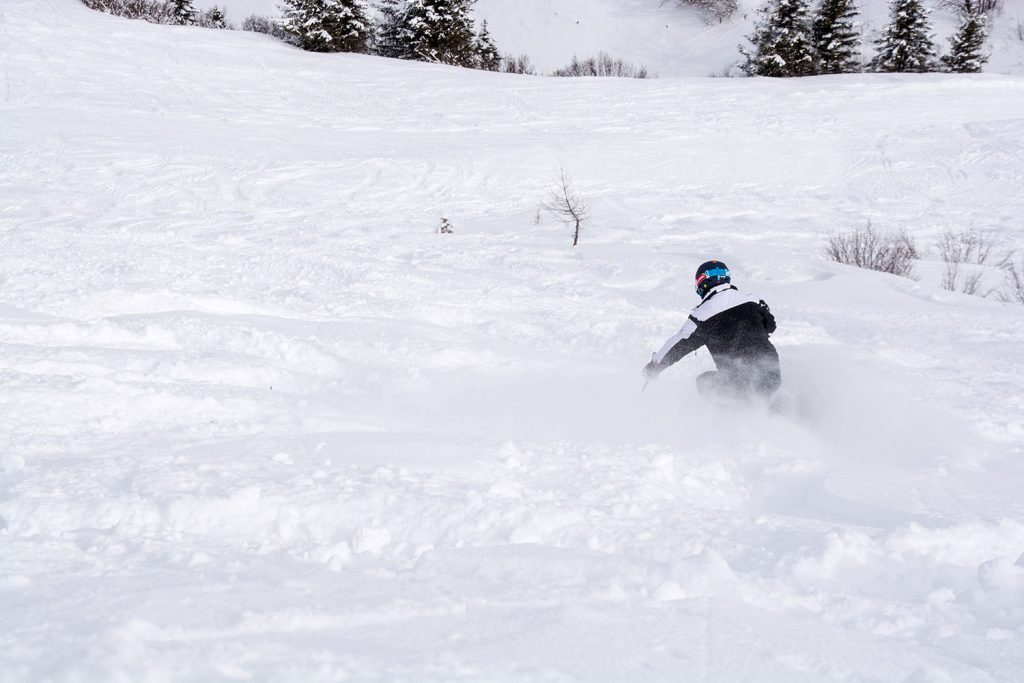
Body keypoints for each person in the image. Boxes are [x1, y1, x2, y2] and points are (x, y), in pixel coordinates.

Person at [643, 260, 781, 400]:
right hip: (772, 375)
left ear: (702, 283)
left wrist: (654, 367)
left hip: (737, 383)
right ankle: (774, 411)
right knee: (759, 392)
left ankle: (727, 419)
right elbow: (771, 326)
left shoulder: (702, 316)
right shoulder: (753, 300)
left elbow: (678, 345)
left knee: (704, 382)